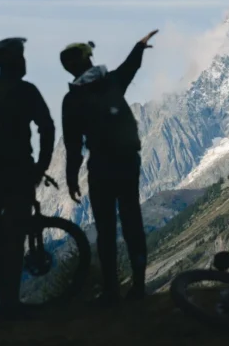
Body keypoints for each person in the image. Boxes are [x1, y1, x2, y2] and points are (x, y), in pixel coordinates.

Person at [59, 30, 158, 306]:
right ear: (87, 61)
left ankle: (111, 291)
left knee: (105, 230)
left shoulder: (72, 99)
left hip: (101, 165)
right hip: (127, 162)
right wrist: (139, 47)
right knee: (132, 223)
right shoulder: (112, 82)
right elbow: (130, 67)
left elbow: (73, 144)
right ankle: (138, 287)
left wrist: (71, 178)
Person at [0, 37, 55, 317]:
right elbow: (47, 127)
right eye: (21, 57)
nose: (25, 61)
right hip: (18, 171)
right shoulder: (25, 91)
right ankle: (9, 303)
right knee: (16, 235)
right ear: (15, 62)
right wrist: (42, 165)